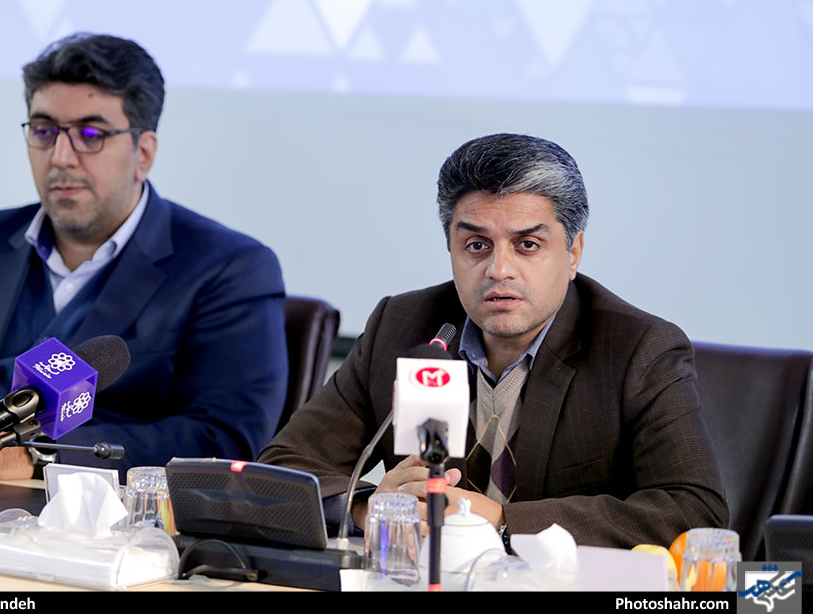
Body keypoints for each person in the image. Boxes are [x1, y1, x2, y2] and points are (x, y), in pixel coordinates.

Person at [0, 33, 288, 479]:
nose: (61, 157)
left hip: (86, 517)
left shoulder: (229, 268)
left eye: (91, 135)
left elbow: (224, 437)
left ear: (144, 153)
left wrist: (38, 457)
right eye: (44, 131)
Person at [259, 133, 728, 549]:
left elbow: (692, 509)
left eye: (527, 245)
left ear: (573, 253)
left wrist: (501, 521)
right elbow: (283, 467)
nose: (499, 270)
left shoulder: (638, 348)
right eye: (477, 246)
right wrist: (370, 509)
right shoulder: (402, 328)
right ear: (451, 248)